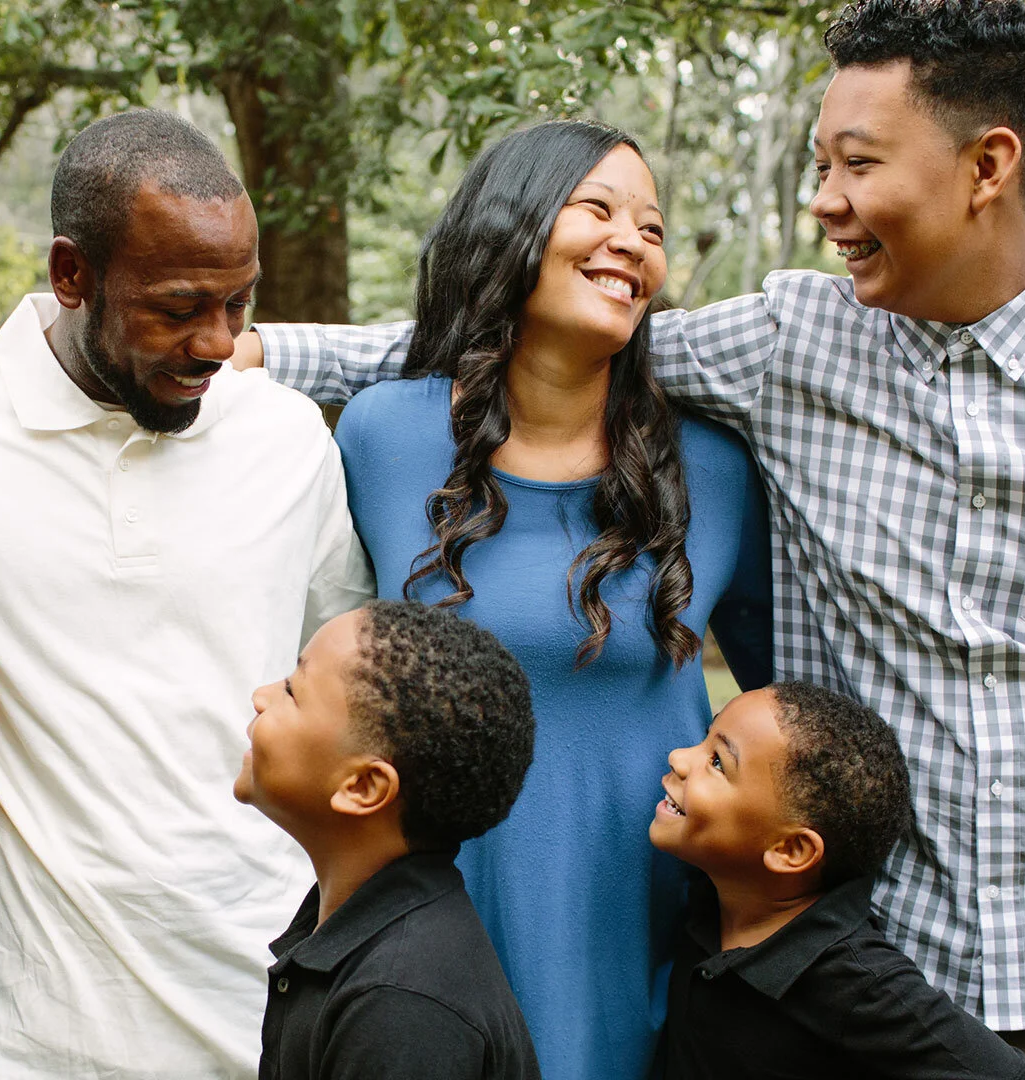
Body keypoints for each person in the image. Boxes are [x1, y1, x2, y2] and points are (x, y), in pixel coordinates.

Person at [232, 2, 1025, 1076]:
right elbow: (529, 333)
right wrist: (240, 346)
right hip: (882, 975)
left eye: (856, 165)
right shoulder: (794, 342)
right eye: (819, 165)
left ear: (988, 165)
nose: (825, 204)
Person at [0, 108, 373, 1080]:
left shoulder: (288, 441)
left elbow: (346, 697)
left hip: (271, 1016)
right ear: (71, 274)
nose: (217, 343)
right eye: (177, 308)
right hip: (27, 1041)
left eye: (240, 306)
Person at [319, 119, 772, 1079]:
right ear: (513, 227)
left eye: (650, 229)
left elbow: (786, 714)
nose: (632, 243)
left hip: (640, 945)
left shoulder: (718, 471)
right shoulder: (382, 436)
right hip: (426, 940)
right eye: (598, 209)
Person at [651, 682, 1025, 1079]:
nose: (679, 757)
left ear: (792, 851)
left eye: (718, 763)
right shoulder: (706, 904)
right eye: (704, 738)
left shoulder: (862, 984)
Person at [236, 600, 541, 1080]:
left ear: (362, 788)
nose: (260, 695)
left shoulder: (400, 1005)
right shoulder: (363, 944)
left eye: (293, 692)